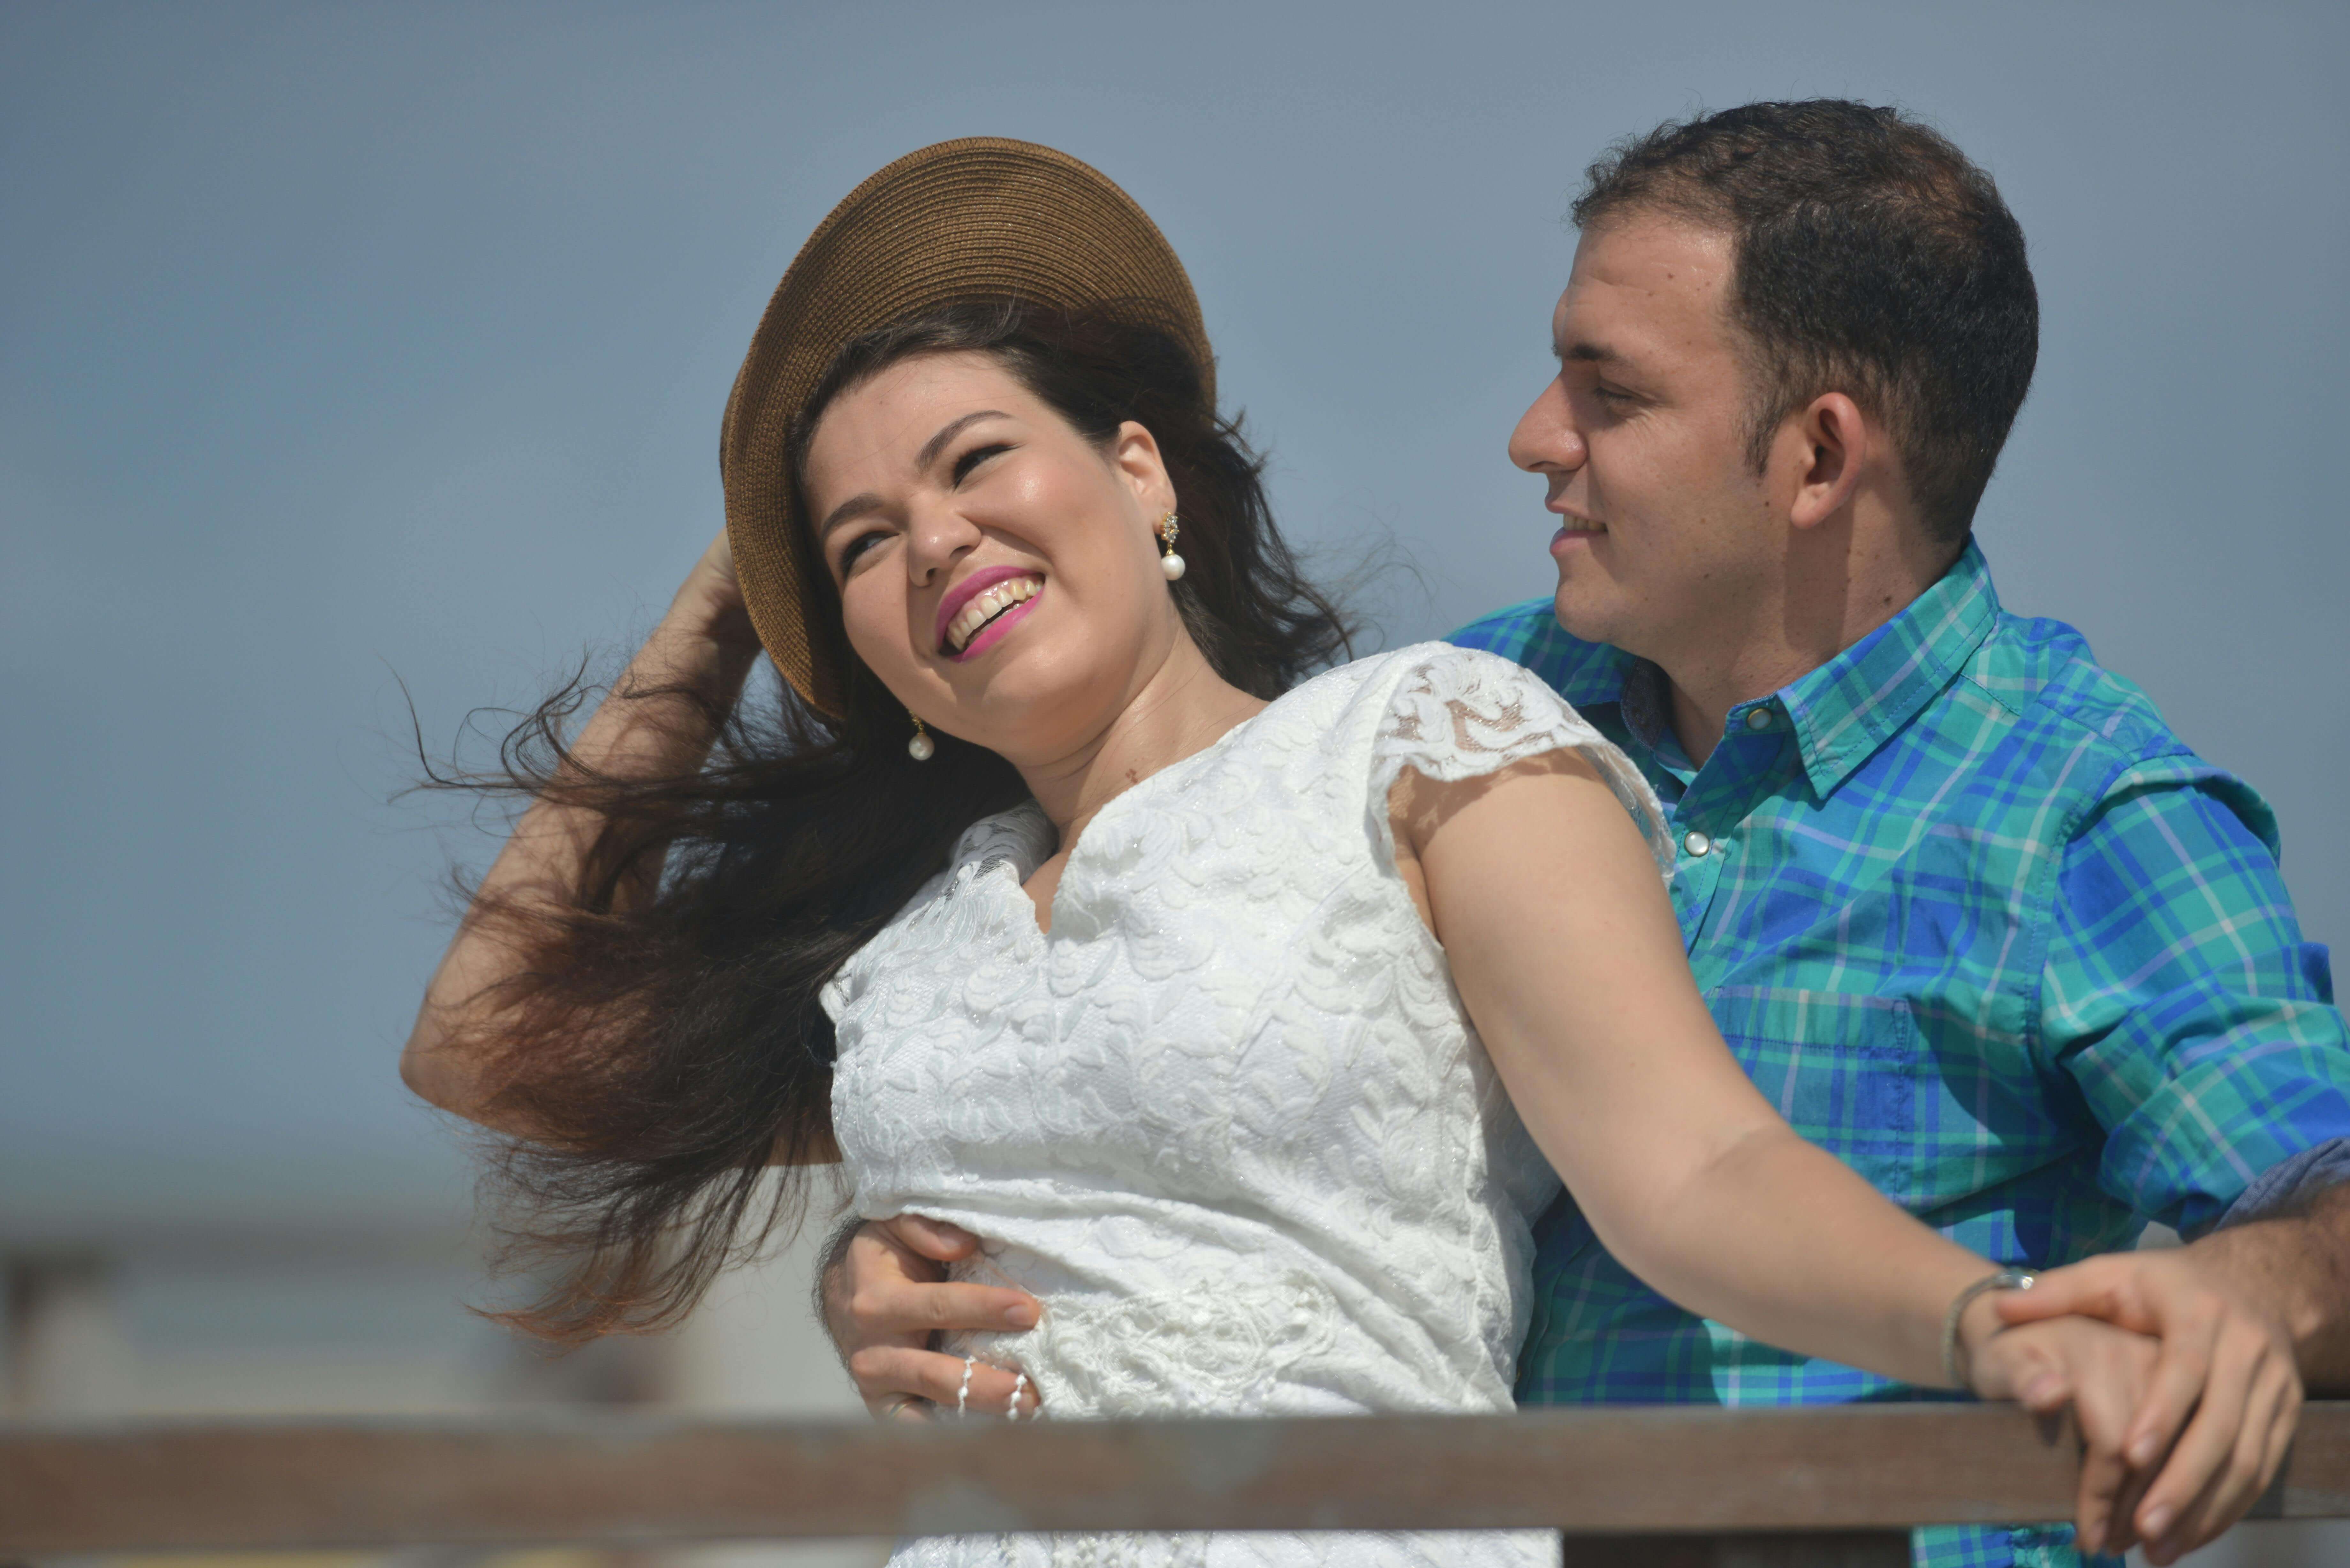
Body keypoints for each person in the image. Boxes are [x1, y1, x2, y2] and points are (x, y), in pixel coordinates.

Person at [406, 139, 2271, 1568]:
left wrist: (1994, 1329)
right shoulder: (925, 942)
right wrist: (738, 580)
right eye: (865, 544)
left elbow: (1684, 1163)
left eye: (980, 461)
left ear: (1142, 471)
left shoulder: (1427, 742)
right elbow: (491, 1039)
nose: (937, 544)